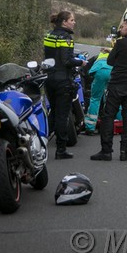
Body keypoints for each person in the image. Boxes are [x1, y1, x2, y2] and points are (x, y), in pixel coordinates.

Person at [91, 18, 127, 162]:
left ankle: (106, 151)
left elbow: (110, 61)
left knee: (108, 116)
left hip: (117, 84)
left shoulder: (120, 43)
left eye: (122, 27)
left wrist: (114, 52)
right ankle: (125, 151)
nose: (120, 29)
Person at [43, 11, 87, 159]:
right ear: (64, 22)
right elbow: (66, 60)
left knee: (53, 113)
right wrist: (81, 62)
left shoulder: (50, 35)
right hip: (63, 80)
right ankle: (61, 149)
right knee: (62, 116)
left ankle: (41, 143)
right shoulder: (66, 37)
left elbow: (50, 57)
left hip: (50, 79)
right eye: (72, 20)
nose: (74, 22)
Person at [85, 48, 112, 135]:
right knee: (112, 98)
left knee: (95, 99)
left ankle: (90, 127)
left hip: (100, 71)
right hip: (113, 72)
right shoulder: (113, 54)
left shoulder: (97, 57)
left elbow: (86, 69)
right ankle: (111, 125)